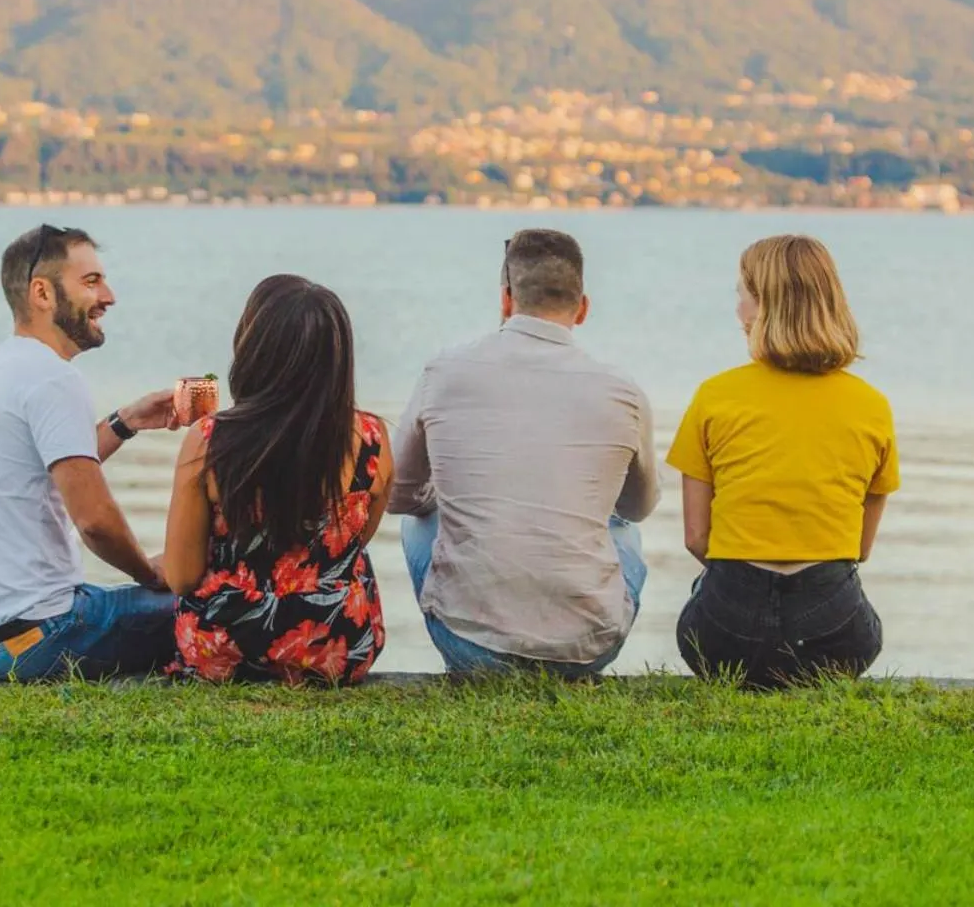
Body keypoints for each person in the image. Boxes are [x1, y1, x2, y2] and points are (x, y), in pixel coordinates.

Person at [389, 228, 657, 677]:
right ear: (583, 308)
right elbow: (638, 506)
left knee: (420, 523)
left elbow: (398, 494)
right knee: (624, 531)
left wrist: (451, 497)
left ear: (506, 299)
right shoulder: (622, 392)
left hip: (470, 647)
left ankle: (477, 622)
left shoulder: (444, 371)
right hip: (589, 650)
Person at [0, 223, 182, 682]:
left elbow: (46, 467)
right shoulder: (53, 378)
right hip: (39, 638)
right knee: (213, 602)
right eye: (91, 282)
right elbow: (95, 522)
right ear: (42, 293)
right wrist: (149, 574)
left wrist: (125, 421)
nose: (108, 296)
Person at [666, 234, 899, 690]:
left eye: (743, 295)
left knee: (706, 597)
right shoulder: (871, 404)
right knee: (856, 611)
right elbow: (860, 548)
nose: (738, 310)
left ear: (767, 304)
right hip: (832, 636)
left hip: (724, 636)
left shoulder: (714, 396)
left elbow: (697, 539)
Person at [162, 275, 391, 685]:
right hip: (338, 645)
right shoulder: (372, 440)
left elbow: (182, 576)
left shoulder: (211, 441)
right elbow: (354, 544)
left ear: (253, 349)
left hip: (228, 647)